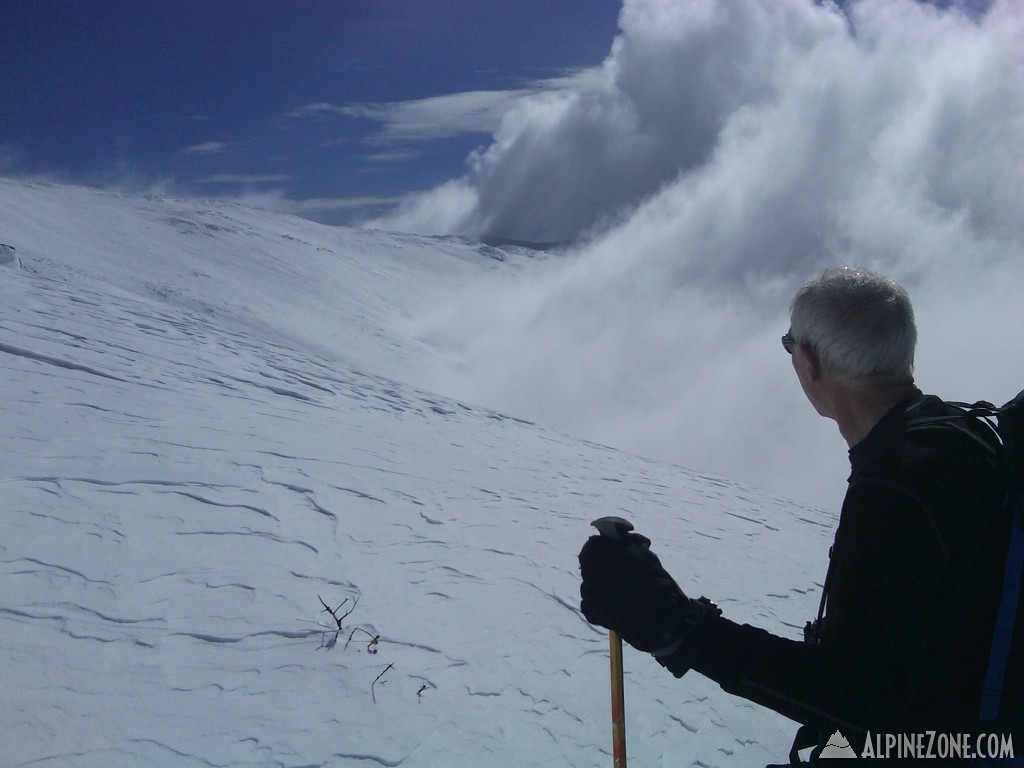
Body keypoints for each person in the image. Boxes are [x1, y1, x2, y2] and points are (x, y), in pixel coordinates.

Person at [579, 265, 1018, 765]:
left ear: (809, 361)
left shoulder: (895, 488)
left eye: (789, 344)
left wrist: (681, 630)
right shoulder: (959, 434)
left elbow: (861, 698)